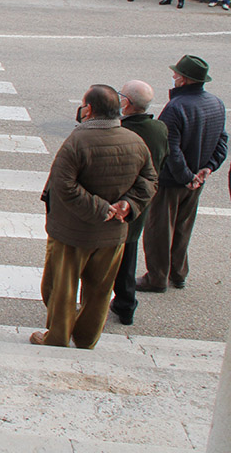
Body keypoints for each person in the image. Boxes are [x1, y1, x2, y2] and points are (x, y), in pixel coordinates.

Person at [29, 85, 156, 349]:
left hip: (73, 232)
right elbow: (150, 179)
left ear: (88, 109)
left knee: (61, 288)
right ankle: (86, 339)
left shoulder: (78, 141)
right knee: (99, 291)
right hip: (113, 234)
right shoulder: (135, 141)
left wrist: (100, 208)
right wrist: (128, 205)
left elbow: (64, 185)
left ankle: (57, 337)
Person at [138, 55, 227, 293]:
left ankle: (156, 277)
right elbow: (222, 141)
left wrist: (187, 177)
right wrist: (207, 169)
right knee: (183, 227)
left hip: (173, 181)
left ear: (185, 79)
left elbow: (171, 149)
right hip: (198, 179)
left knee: (159, 230)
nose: (174, 77)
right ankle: (178, 273)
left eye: (176, 74)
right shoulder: (216, 103)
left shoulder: (176, 108)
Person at [109, 80, 169, 326]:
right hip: (140, 202)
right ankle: (126, 305)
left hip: (115, 202)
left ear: (127, 103)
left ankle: (95, 303)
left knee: (103, 256)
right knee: (129, 254)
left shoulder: (119, 129)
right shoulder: (159, 129)